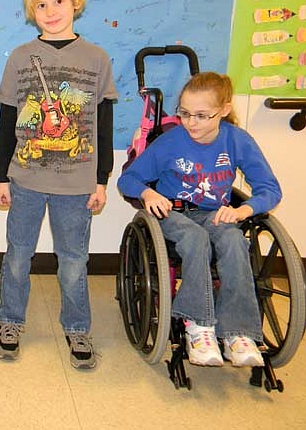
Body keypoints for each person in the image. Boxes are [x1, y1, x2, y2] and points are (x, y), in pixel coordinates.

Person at [0, 0, 117, 369]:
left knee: (74, 260)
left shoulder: (96, 58)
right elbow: (9, 120)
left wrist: (101, 180)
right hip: (26, 178)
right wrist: (0, 176)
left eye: (58, 1)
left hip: (78, 182)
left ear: (75, 3)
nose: (51, 10)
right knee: (17, 255)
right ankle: (10, 321)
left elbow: (103, 124)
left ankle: (78, 326)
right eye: (42, 4)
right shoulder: (21, 57)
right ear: (32, 10)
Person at [117, 71, 281, 368]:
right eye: (185, 113)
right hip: (173, 213)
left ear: (224, 110)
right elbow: (129, 179)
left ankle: (239, 333)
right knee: (195, 239)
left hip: (213, 213)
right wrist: (148, 194)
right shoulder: (171, 141)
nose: (191, 122)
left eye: (202, 115)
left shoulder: (237, 141)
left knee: (233, 240)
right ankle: (198, 327)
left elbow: (270, 189)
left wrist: (245, 210)